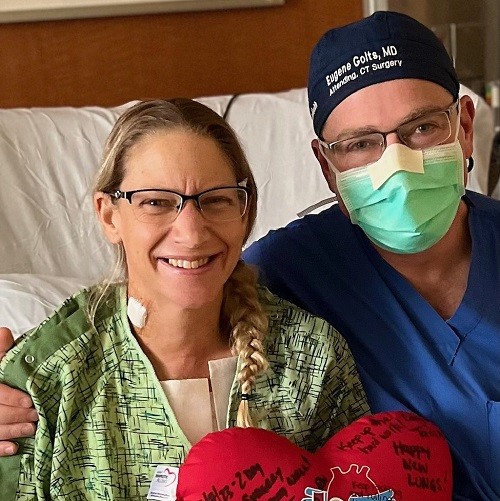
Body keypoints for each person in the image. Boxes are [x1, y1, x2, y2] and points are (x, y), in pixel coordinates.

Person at [0, 98, 368, 499]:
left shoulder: (310, 358)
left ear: (245, 213)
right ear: (109, 216)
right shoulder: (44, 383)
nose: (191, 234)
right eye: (156, 202)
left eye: (216, 200)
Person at [245, 12, 500, 501]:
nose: (397, 165)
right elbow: (173, 310)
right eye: (361, 144)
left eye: (422, 128)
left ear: (464, 128)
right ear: (327, 166)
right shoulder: (288, 272)